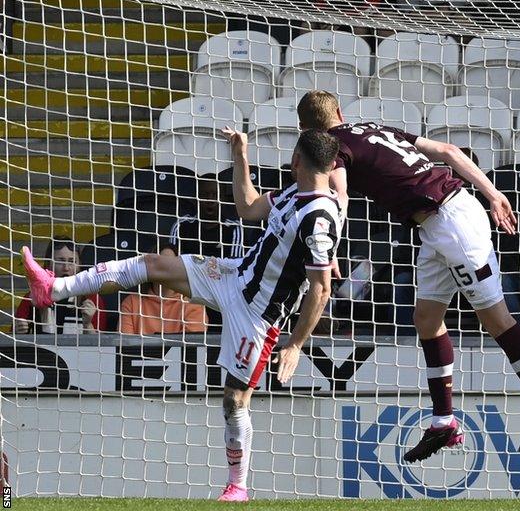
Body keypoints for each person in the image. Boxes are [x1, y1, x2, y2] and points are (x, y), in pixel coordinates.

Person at [20, 129, 344, 502]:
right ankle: (53, 288)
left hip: (258, 315)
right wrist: (241, 156)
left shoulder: (319, 218)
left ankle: (238, 486)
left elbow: (320, 288)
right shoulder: (293, 192)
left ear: (297, 160)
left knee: (235, 400)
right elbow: (249, 207)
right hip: (233, 275)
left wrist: (296, 344)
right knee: (157, 263)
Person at [295, 90, 520, 462]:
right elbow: (451, 153)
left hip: (451, 223)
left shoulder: (335, 146)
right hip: (439, 224)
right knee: (426, 319)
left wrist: (330, 247)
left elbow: (339, 195)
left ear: (306, 131)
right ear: (340, 111)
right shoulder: (374, 128)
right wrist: (491, 193)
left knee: (497, 320)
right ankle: (444, 421)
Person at [14, 237, 108, 335]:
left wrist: (87, 324)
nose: (66, 268)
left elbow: (101, 346)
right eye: (60, 261)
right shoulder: (33, 297)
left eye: (72, 261)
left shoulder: (92, 299)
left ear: (79, 265)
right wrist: (18, 330)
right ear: (48, 264)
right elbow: (15, 336)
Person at [119, 244, 208, 336]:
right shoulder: (131, 302)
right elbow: (125, 344)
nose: (166, 268)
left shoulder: (193, 303)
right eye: (161, 262)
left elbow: (192, 346)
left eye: (171, 263)